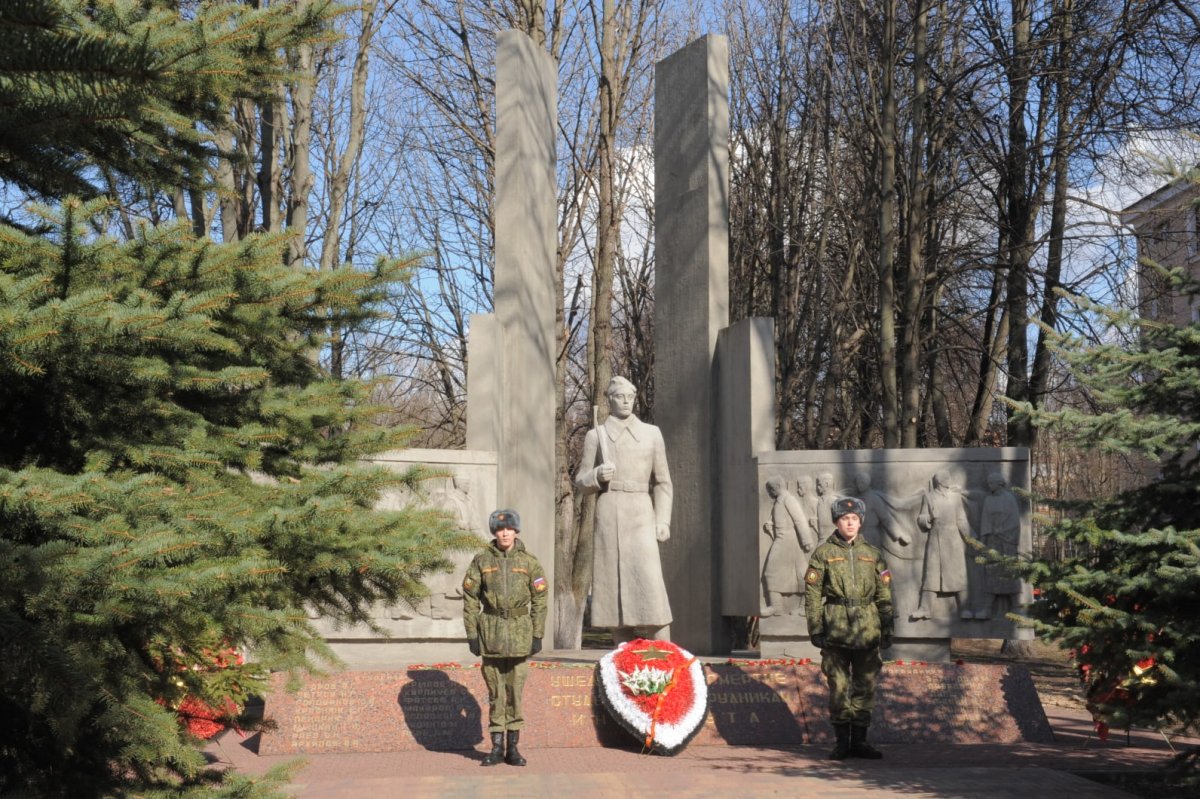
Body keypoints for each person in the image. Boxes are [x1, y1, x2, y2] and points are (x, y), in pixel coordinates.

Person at [575, 376, 673, 641]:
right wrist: (596, 475)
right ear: (610, 400)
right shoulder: (597, 436)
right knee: (613, 591)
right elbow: (581, 482)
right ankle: (623, 660)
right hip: (610, 512)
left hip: (641, 511)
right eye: (620, 397)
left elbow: (663, 482)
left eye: (630, 397)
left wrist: (663, 521)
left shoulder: (651, 434)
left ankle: (665, 656)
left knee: (651, 587)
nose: (626, 401)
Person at [805, 497, 894, 760]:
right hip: (836, 631)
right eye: (845, 518)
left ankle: (861, 742)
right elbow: (812, 594)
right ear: (836, 522)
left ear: (861, 521)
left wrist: (887, 627)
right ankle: (842, 742)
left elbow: (884, 594)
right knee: (839, 686)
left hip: (868, 630)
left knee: (865, 686)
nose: (850, 522)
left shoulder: (874, 554)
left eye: (854, 519)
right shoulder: (823, 553)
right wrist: (816, 629)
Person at [462, 508, 548, 767]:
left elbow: (540, 598)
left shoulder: (529, 562)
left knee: (515, 693)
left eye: (509, 529)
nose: (505, 533)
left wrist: (537, 633)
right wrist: (472, 635)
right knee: (495, 693)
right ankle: (496, 748)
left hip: (520, 637)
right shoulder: (481, 561)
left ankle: (513, 749)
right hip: (491, 636)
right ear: (494, 533)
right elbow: (469, 598)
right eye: (500, 529)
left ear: (516, 531)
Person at [911, 470, 973, 620]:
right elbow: (921, 517)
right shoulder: (929, 497)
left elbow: (961, 520)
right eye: (947, 479)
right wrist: (927, 518)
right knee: (931, 575)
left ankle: (965, 608)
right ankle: (925, 609)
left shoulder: (955, 497)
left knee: (958, 574)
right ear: (941, 482)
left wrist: (972, 539)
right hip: (935, 537)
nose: (949, 482)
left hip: (953, 539)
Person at [761, 476, 815, 616]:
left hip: (788, 541)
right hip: (782, 539)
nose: (770, 492)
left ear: (777, 487)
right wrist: (771, 527)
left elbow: (800, 520)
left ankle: (804, 605)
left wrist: (807, 541)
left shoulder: (788, 499)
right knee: (800, 573)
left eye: (771, 489)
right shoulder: (779, 501)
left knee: (772, 571)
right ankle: (777, 607)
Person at [975, 472, 1023, 620]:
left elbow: (1015, 522)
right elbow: (985, 520)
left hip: (1007, 542)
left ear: (999, 483)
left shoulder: (1009, 499)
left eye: (991, 483)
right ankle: (987, 609)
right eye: (988, 483)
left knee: (1010, 574)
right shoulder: (988, 499)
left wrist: (1003, 532)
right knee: (991, 574)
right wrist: (983, 539)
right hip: (992, 542)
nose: (989, 486)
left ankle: (1016, 607)